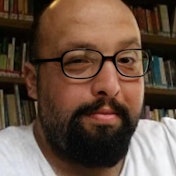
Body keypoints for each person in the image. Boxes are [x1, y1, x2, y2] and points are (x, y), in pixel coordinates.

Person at [0, 0, 176, 175]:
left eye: (126, 60)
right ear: (33, 81)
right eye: (78, 61)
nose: (110, 86)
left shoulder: (170, 144)